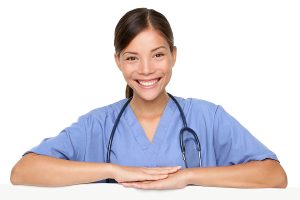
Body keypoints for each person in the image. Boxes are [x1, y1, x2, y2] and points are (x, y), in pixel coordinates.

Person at [10, 8, 287, 189]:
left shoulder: (208, 118)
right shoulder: (98, 124)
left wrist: (188, 177)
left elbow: (274, 175)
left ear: (173, 56)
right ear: (118, 61)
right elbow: (23, 171)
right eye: (132, 58)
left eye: (157, 55)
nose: (146, 70)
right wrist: (114, 170)